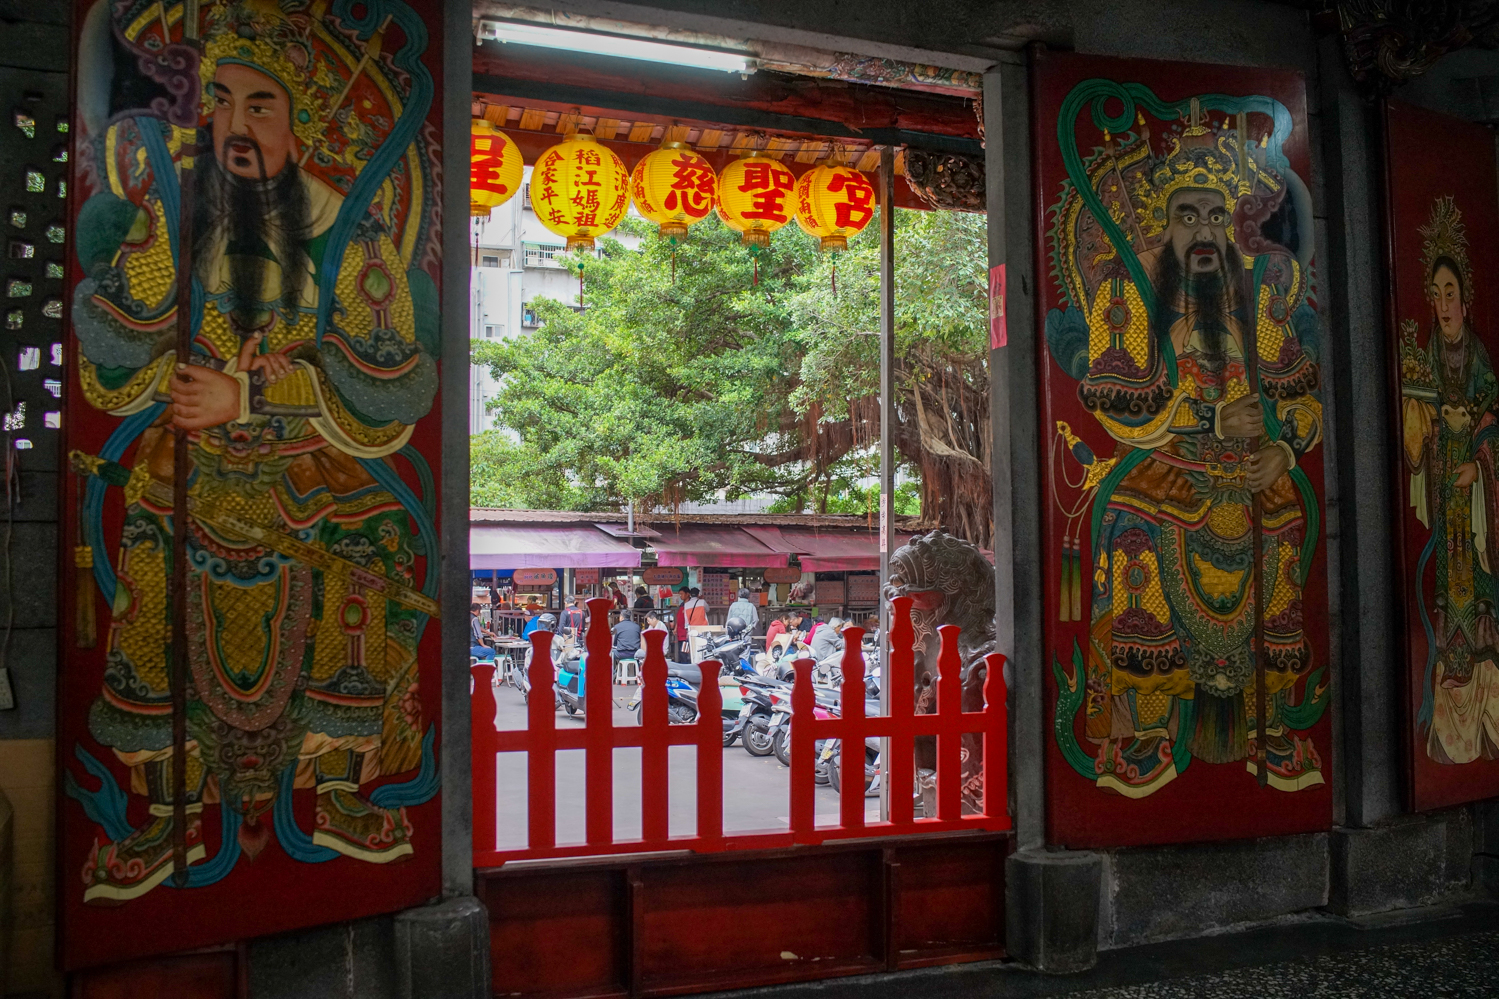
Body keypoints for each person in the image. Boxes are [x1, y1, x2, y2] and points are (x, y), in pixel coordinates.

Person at [70, 0, 439, 897]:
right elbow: (119, 340)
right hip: (191, 463)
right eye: (222, 102)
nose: (235, 125)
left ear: (299, 121)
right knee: (156, 564)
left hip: (305, 463)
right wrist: (164, 366)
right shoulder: (176, 212)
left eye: (260, 105)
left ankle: (344, 786)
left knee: (369, 544)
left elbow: (391, 384)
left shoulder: (352, 235)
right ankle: (167, 811)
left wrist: (263, 390)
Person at [1067, 112, 1322, 795]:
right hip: (1169, 467)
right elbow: (1116, 407)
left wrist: (1283, 451)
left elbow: (1300, 401)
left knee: (1285, 530)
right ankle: (1148, 729)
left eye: (1215, 213)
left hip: (1249, 472)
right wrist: (1201, 414)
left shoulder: (1260, 298)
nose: (1203, 228)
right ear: (1165, 222)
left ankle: (1270, 725)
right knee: (1132, 531)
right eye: (1187, 213)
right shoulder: (1128, 295)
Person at [1401, 197, 1499, 763]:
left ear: (1465, 298)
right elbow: (1415, 422)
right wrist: (1434, 428)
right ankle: (1450, 691)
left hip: (1475, 489)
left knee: (1477, 584)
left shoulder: (1478, 353)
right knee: (1446, 585)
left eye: (1451, 293)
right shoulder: (1428, 355)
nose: (1443, 304)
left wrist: (1478, 455)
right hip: (1444, 485)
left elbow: (1495, 415)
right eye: (1435, 294)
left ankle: (1484, 700)